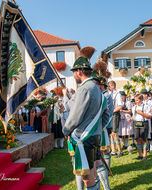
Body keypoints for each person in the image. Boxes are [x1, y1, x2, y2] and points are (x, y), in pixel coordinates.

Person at [62, 51, 109, 190]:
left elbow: (76, 115)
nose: (74, 75)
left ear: (80, 71)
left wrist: (66, 130)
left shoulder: (84, 89)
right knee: (93, 172)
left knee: (86, 176)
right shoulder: (96, 89)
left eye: (74, 72)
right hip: (94, 135)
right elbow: (105, 115)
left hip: (85, 137)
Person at [91, 72, 111, 190]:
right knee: (96, 161)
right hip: (97, 130)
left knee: (96, 161)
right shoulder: (100, 95)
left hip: (93, 132)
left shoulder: (100, 96)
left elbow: (106, 115)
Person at [129, 93, 152, 161]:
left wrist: (141, 113)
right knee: (137, 139)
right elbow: (134, 115)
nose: (136, 102)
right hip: (136, 123)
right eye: (135, 100)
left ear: (141, 100)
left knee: (143, 139)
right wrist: (131, 119)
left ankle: (145, 155)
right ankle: (140, 155)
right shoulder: (134, 107)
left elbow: (149, 116)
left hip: (143, 123)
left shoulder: (146, 107)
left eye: (137, 100)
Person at [108, 81, 123, 158]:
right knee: (111, 134)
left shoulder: (118, 94)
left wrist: (112, 111)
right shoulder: (110, 94)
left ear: (113, 86)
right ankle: (113, 150)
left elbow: (120, 106)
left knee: (114, 133)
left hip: (115, 114)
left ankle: (120, 151)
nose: (108, 88)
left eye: (109, 86)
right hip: (111, 115)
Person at [141, 89, 152, 154]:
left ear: (146, 95)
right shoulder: (141, 102)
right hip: (143, 119)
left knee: (150, 133)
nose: (143, 95)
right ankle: (146, 147)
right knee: (144, 134)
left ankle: (151, 148)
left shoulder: (150, 102)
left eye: (144, 94)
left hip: (149, 119)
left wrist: (149, 114)